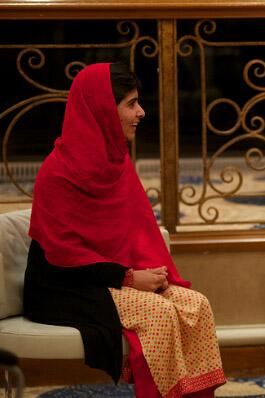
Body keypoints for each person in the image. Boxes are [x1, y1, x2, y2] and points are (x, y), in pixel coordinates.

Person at [23, 63, 226, 398]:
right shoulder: (57, 173)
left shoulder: (116, 162)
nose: (141, 112)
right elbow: (63, 255)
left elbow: (137, 232)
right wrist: (130, 278)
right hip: (65, 288)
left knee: (196, 305)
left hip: (117, 276)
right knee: (158, 313)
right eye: (131, 103)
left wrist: (150, 276)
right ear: (103, 109)